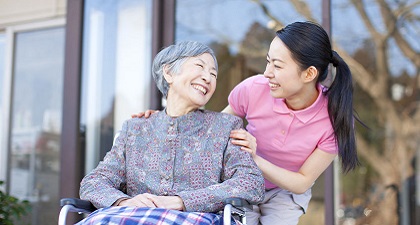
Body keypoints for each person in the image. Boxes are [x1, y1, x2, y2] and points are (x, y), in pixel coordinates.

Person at [134, 21, 361, 225]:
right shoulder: (253, 89)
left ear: (309, 73)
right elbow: (210, 134)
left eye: (278, 66)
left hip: (286, 192)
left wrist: (254, 158)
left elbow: (302, 182)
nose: (267, 72)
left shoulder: (335, 118)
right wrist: (164, 122)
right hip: (241, 183)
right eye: (268, 62)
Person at [77, 41, 265, 225]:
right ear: (168, 73)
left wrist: (182, 201)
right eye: (199, 66)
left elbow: (250, 183)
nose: (208, 77)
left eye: (213, 74)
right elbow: (94, 182)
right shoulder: (135, 129)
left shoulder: (226, 127)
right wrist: (124, 202)